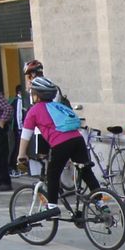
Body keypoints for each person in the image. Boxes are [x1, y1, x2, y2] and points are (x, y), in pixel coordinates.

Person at [15, 75, 95, 203]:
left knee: (52, 174)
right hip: (78, 140)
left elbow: (26, 135)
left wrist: (21, 155)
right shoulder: (59, 106)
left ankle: (52, 207)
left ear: (37, 95)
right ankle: (100, 201)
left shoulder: (34, 110)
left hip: (61, 143)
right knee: (85, 171)